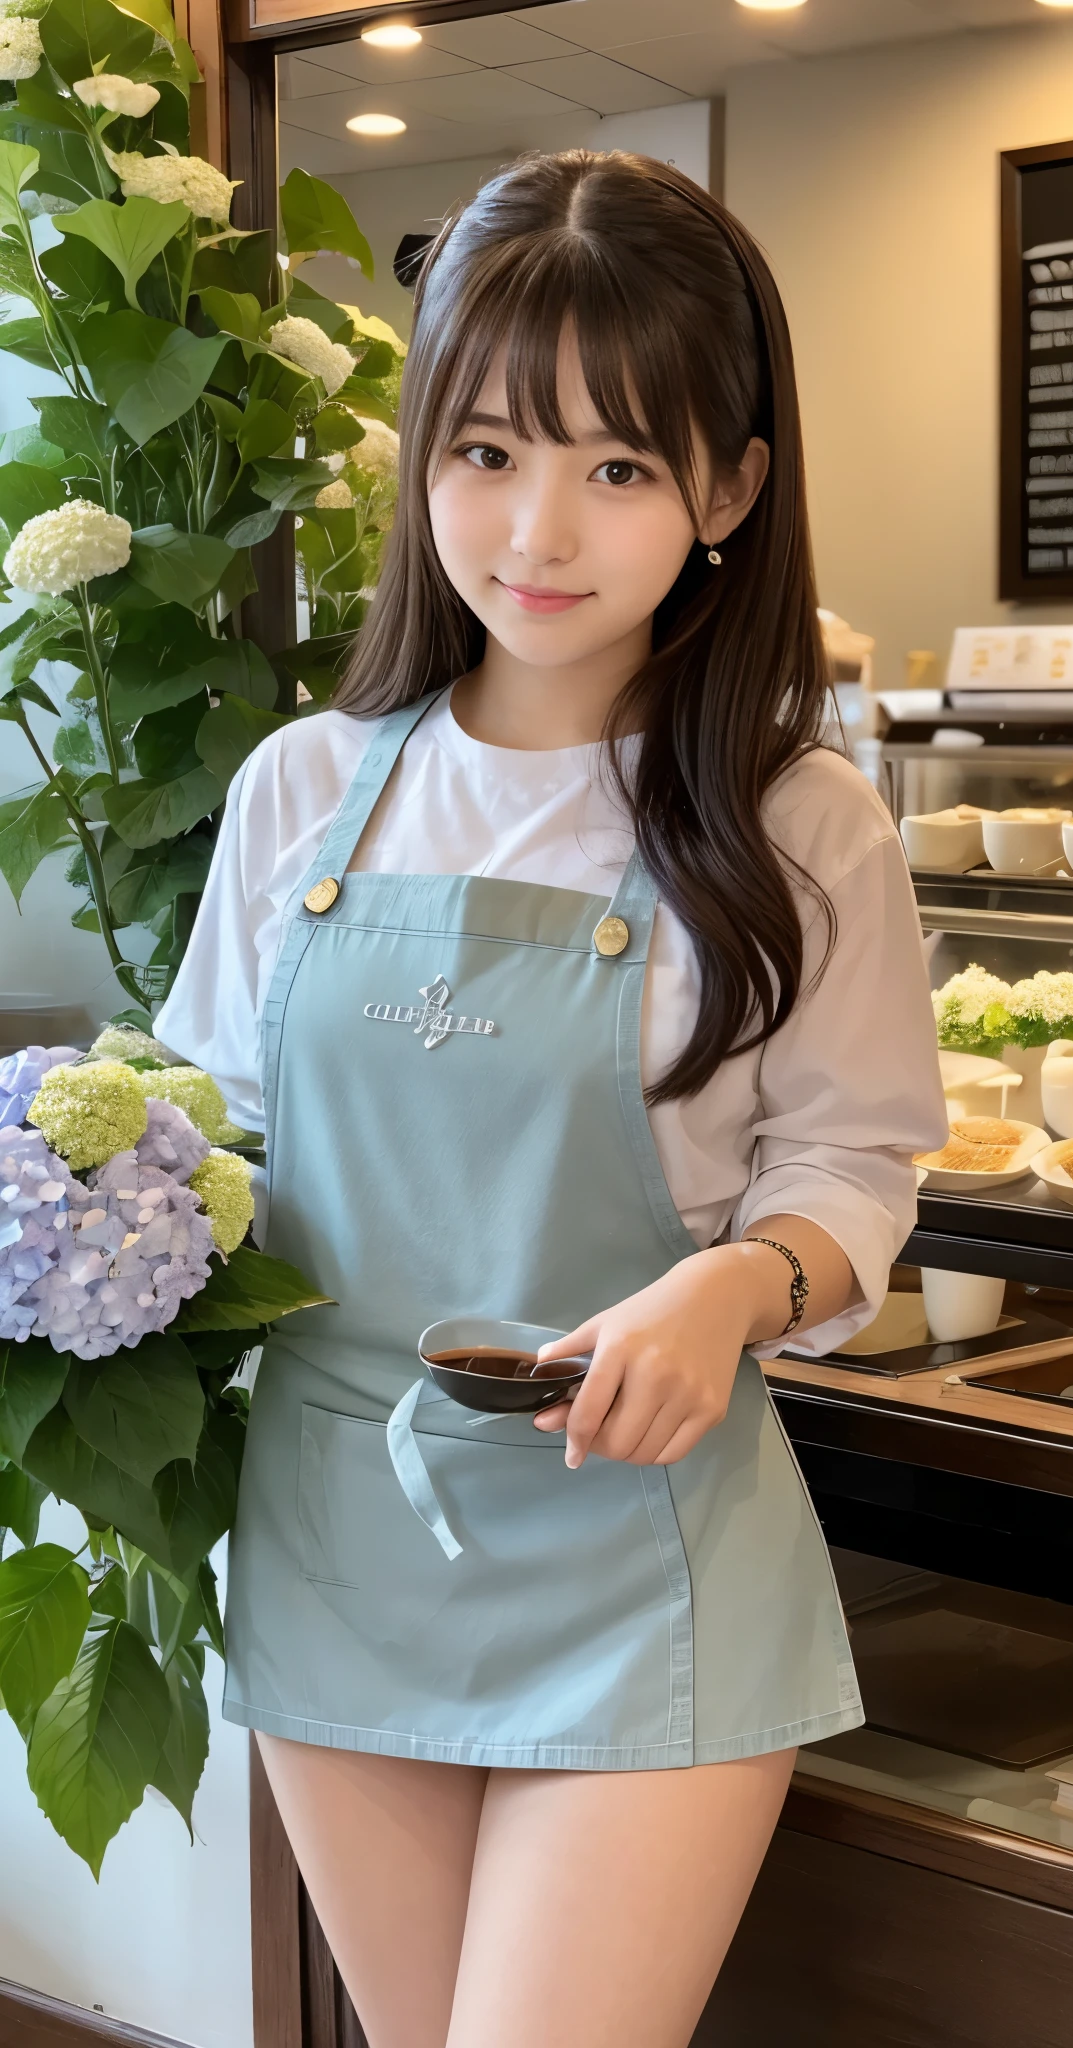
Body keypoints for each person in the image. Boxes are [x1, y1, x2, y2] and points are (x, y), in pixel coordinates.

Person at [158, 149, 944, 2048]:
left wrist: (730, 1290)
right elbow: (209, 1127)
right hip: (345, 1528)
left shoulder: (795, 817)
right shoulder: (305, 790)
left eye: (619, 467)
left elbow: (855, 1162)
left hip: (641, 1543)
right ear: (422, 450)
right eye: (489, 452)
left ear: (733, 489)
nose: (540, 528)